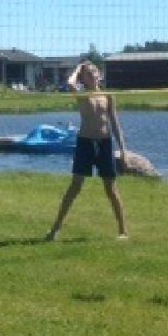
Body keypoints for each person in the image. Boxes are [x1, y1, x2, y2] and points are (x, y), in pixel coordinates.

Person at [45, 60, 130, 241]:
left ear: (99, 75)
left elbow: (115, 123)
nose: (91, 75)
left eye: (93, 72)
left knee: (111, 189)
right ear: (83, 78)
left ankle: (123, 231)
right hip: (85, 142)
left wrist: (123, 149)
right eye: (87, 74)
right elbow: (69, 83)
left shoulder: (107, 96)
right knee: (75, 187)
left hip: (105, 142)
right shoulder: (82, 94)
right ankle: (55, 230)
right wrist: (79, 67)